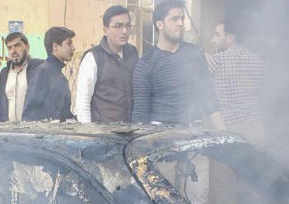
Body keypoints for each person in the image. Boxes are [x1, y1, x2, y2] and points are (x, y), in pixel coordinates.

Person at [131, 0, 222, 128]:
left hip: (193, 133)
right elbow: (140, 114)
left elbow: (208, 98)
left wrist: (224, 132)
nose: (180, 23)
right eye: (174, 19)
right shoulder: (145, 63)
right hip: (160, 136)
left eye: (182, 18)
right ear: (160, 24)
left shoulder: (195, 54)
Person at [75, 5, 139, 123]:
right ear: (105, 30)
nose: (124, 31)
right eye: (118, 26)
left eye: (127, 25)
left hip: (130, 130)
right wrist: (89, 134)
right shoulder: (93, 57)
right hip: (104, 134)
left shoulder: (133, 53)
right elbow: (82, 102)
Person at [207, 21, 264, 145]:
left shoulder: (218, 60)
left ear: (230, 38)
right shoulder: (256, 59)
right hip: (257, 127)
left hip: (231, 131)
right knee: (256, 164)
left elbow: (199, 72)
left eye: (217, 35)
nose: (213, 40)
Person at [22, 27, 77, 122]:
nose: (73, 48)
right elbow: (29, 114)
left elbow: (62, 112)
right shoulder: (43, 72)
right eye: (69, 43)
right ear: (55, 46)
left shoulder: (59, 75)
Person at [0, 32, 45, 122]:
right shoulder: (4, 73)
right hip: (9, 131)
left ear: (27, 47)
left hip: (34, 130)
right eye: (10, 48)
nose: (13, 50)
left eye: (17, 46)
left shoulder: (39, 68)